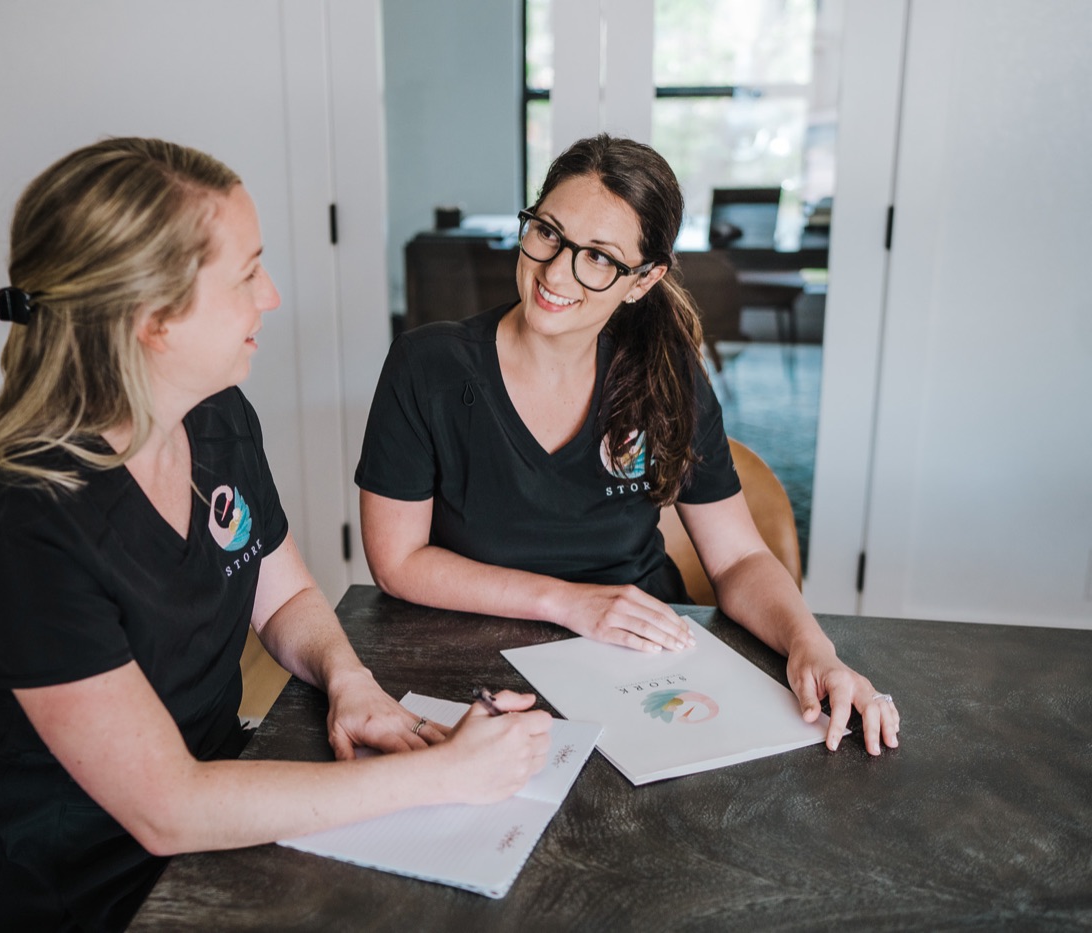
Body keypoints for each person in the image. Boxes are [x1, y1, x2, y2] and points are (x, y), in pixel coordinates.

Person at [0, 137, 551, 932]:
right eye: (248, 272)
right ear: (152, 318)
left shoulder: (213, 415)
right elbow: (169, 810)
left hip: (222, 806)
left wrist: (349, 680)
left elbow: (281, 590)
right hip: (92, 886)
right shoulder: (21, 517)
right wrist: (447, 775)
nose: (274, 295)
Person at [357, 134, 899, 760]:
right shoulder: (428, 367)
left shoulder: (665, 374)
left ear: (643, 281)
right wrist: (569, 602)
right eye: (549, 233)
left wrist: (813, 647)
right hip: (473, 660)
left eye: (600, 259)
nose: (557, 272)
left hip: (641, 668)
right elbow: (397, 561)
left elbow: (737, 560)